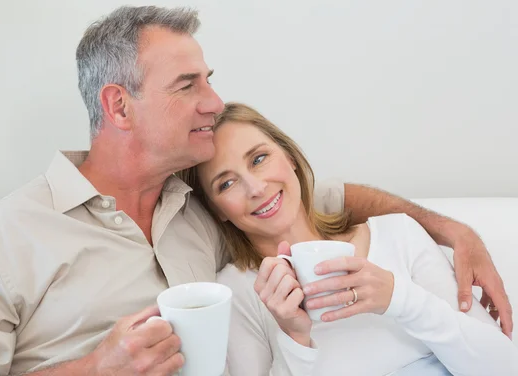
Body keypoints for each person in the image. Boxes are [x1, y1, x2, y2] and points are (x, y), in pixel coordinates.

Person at [0, 6, 511, 375]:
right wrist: (95, 370)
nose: (212, 101)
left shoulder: (197, 206)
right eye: (187, 84)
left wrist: (452, 230)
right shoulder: (8, 235)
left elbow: (318, 198)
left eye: (210, 79)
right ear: (119, 105)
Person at [178, 102, 518, 375]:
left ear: (290, 158)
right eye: (226, 183)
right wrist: (294, 337)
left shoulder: (398, 233)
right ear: (217, 210)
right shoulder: (237, 292)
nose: (255, 188)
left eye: (259, 159)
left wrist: (400, 299)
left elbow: (504, 367)